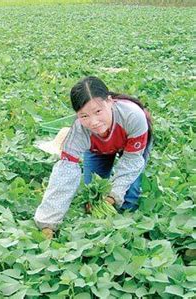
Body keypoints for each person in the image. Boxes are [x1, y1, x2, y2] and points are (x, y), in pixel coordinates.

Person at [34, 76, 153, 239]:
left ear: (110, 101)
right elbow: (64, 175)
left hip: (131, 142)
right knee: (93, 191)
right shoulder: (79, 132)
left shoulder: (133, 116)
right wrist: (47, 222)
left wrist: (113, 196)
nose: (94, 122)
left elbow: (131, 161)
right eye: (84, 116)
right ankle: (97, 230)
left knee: (129, 194)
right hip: (99, 148)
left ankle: (125, 233)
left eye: (98, 111)